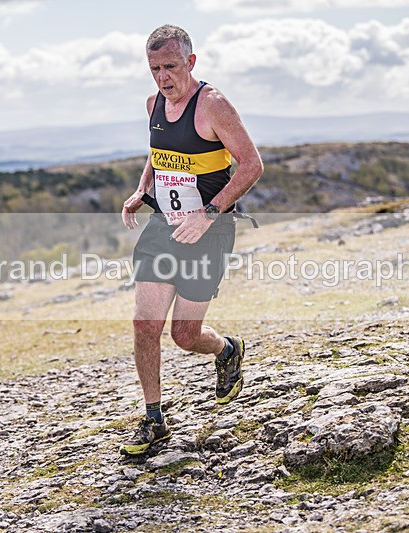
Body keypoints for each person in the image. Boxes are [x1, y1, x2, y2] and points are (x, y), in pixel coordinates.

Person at [119, 24, 263, 455]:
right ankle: (153, 420)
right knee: (145, 324)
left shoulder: (213, 105)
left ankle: (227, 349)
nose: (163, 77)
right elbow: (159, 154)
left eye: (171, 66)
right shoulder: (154, 105)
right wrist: (142, 190)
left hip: (209, 233)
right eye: (155, 69)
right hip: (163, 227)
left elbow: (252, 165)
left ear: (191, 62)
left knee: (184, 335)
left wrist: (209, 213)